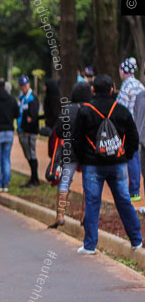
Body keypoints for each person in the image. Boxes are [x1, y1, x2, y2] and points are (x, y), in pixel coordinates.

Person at [72, 74, 142, 254]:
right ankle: (136, 240)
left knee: (93, 203)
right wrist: (125, 155)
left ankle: (89, 245)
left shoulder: (85, 110)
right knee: (124, 201)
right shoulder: (122, 110)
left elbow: (77, 139)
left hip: (92, 165)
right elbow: (134, 137)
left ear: (93, 90)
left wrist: (83, 158)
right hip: (117, 164)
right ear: (112, 90)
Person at [48, 82, 92, 228]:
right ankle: (85, 215)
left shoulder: (68, 109)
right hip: (87, 152)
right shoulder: (91, 109)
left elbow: (59, 131)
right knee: (88, 184)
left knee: (65, 182)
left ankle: (60, 215)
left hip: (70, 150)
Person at [117, 57, 145, 201]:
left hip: (129, 128)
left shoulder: (125, 87)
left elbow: (120, 109)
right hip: (140, 127)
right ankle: (136, 189)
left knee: (131, 157)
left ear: (123, 71)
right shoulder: (140, 86)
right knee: (139, 158)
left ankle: (133, 190)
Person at [17, 75, 41, 188]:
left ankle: (35, 179)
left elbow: (32, 117)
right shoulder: (22, 98)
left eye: (25, 85)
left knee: (32, 154)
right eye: (21, 85)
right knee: (28, 155)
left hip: (29, 132)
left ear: (28, 85)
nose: (23, 87)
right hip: (22, 130)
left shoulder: (32, 98)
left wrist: (28, 129)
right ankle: (33, 178)